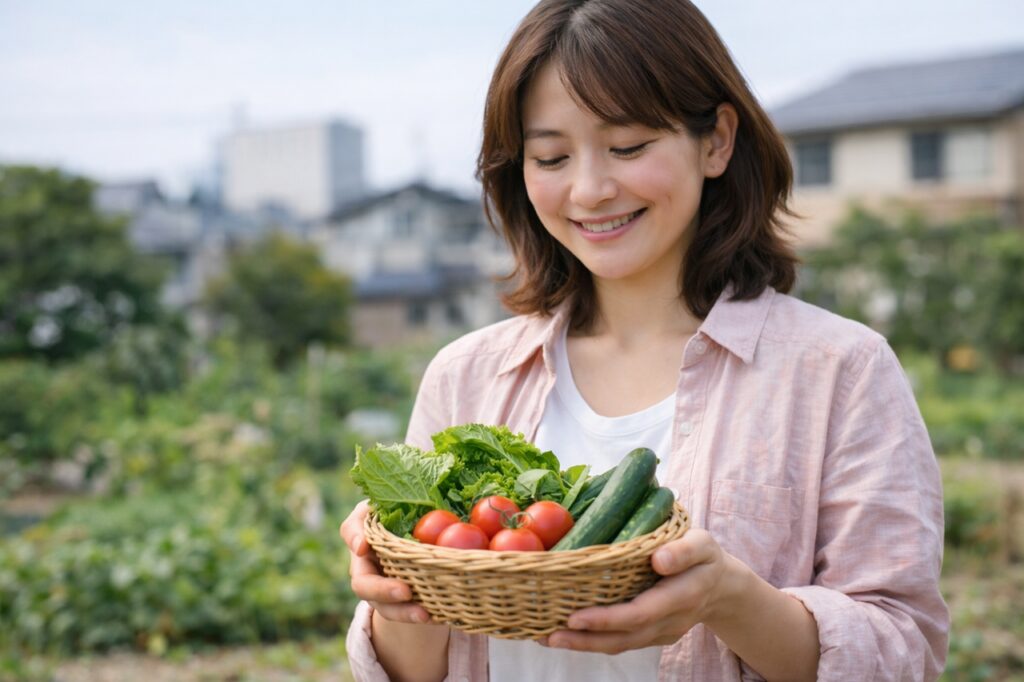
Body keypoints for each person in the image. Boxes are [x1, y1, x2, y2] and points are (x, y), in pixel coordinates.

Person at [340, 0, 950, 679]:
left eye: (627, 147)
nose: (591, 189)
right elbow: (410, 671)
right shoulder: (468, 374)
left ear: (716, 140)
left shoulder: (840, 370)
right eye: (550, 156)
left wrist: (728, 598)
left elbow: (904, 651)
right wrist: (400, 591)